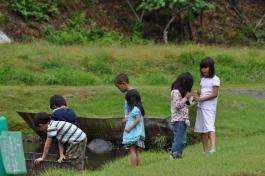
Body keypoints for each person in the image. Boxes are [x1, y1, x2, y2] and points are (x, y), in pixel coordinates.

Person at [194, 57, 220, 154]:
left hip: (209, 107)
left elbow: (214, 94)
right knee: (202, 129)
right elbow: (203, 91)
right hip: (201, 106)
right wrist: (197, 93)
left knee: (210, 127)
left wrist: (200, 98)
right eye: (202, 68)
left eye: (206, 67)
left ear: (211, 67)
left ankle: (213, 148)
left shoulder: (215, 79)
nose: (203, 70)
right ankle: (205, 151)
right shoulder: (203, 79)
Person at [170, 72, 193, 159]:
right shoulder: (175, 92)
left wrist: (193, 97)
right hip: (178, 119)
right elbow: (177, 105)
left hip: (183, 119)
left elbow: (188, 104)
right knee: (179, 139)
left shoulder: (181, 93)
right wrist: (186, 97)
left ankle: (177, 154)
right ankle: (175, 155)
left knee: (182, 140)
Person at [122, 89, 145, 167]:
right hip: (137, 133)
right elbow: (133, 117)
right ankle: (138, 166)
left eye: (127, 100)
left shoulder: (135, 109)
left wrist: (129, 128)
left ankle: (134, 168)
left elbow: (137, 119)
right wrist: (127, 119)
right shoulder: (138, 109)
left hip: (134, 134)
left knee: (132, 151)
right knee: (136, 151)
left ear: (131, 100)